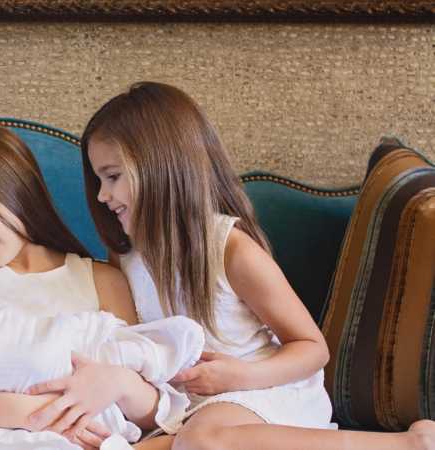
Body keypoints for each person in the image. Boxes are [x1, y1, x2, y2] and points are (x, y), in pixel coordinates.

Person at [47, 81, 435, 449]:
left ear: (160, 166)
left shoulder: (229, 249)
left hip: (265, 388)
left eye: (112, 177)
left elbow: (313, 349)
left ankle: (403, 443)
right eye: (99, 180)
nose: (102, 195)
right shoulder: (127, 256)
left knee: (201, 440)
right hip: (194, 405)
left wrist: (240, 375)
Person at [0, 122, 176, 450]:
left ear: (16, 190)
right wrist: (37, 414)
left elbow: (152, 416)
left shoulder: (103, 281)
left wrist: (120, 384)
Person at [0, 301, 204, 445]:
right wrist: (40, 413)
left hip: (86, 402)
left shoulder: (105, 275)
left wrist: (116, 380)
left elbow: (153, 411)